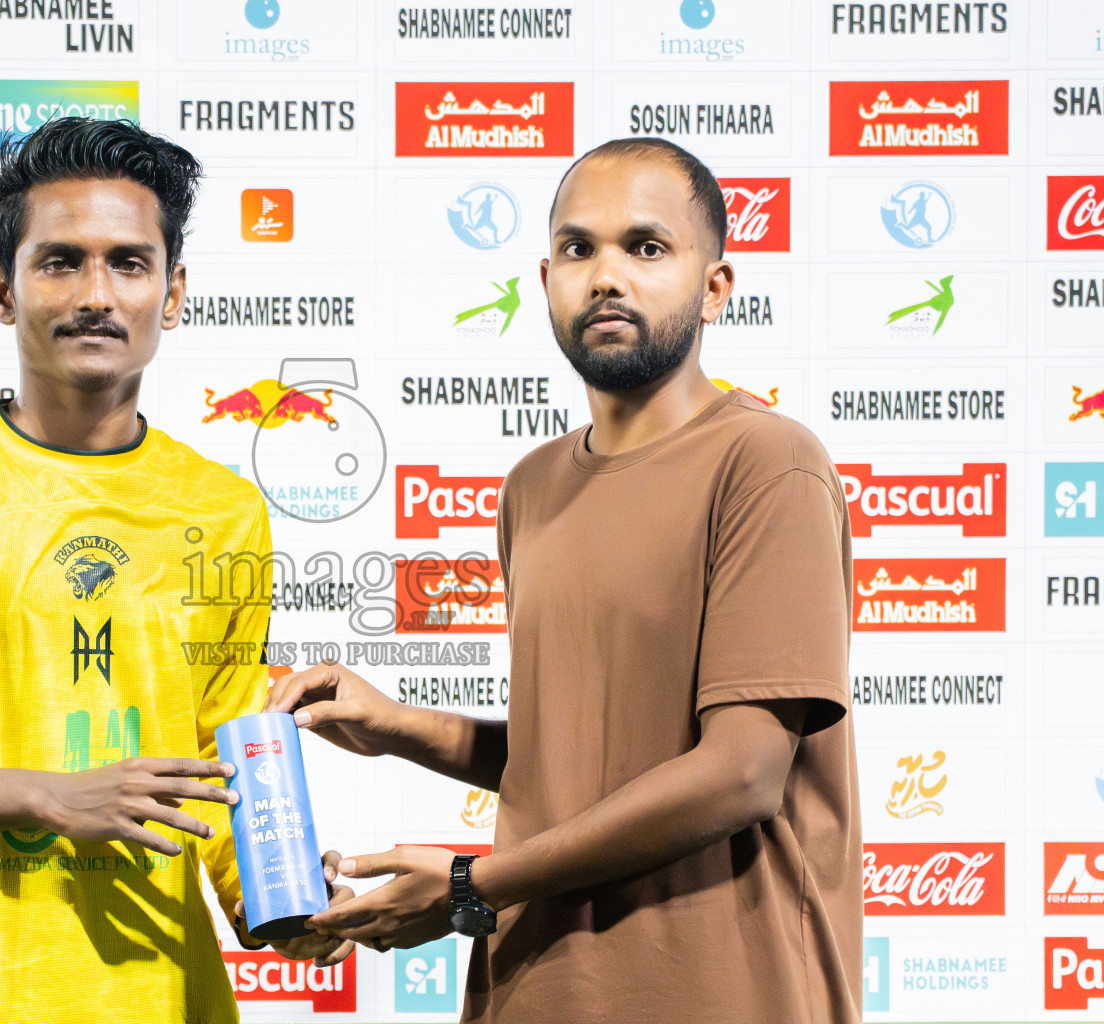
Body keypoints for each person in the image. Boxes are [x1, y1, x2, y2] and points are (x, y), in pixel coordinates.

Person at [0, 116, 352, 1024]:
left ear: (175, 291)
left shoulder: (225, 510)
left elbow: (220, 757)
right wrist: (42, 795)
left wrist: (276, 906)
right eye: (60, 262)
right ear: (3, 291)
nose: (97, 293)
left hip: (166, 995)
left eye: (128, 262)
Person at [270, 136, 862, 1022]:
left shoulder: (767, 462)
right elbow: (582, 759)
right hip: (539, 986)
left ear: (715, 287)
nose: (607, 275)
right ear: (545, 278)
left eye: (646, 247)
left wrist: (473, 886)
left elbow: (740, 772)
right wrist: (397, 726)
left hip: (724, 989)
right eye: (580, 249)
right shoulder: (533, 487)